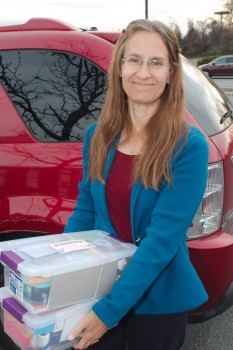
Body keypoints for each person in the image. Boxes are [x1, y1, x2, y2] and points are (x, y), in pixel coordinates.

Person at [64, 19, 209, 350]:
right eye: (134, 60)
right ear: (119, 67)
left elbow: (161, 241)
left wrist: (109, 312)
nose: (143, 72)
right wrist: (62, 275)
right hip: (99, 287)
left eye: (156, 62)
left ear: (171, 73)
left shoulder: (189, 146)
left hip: (157, 300)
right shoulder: (96, 136)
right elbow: (85, 212)